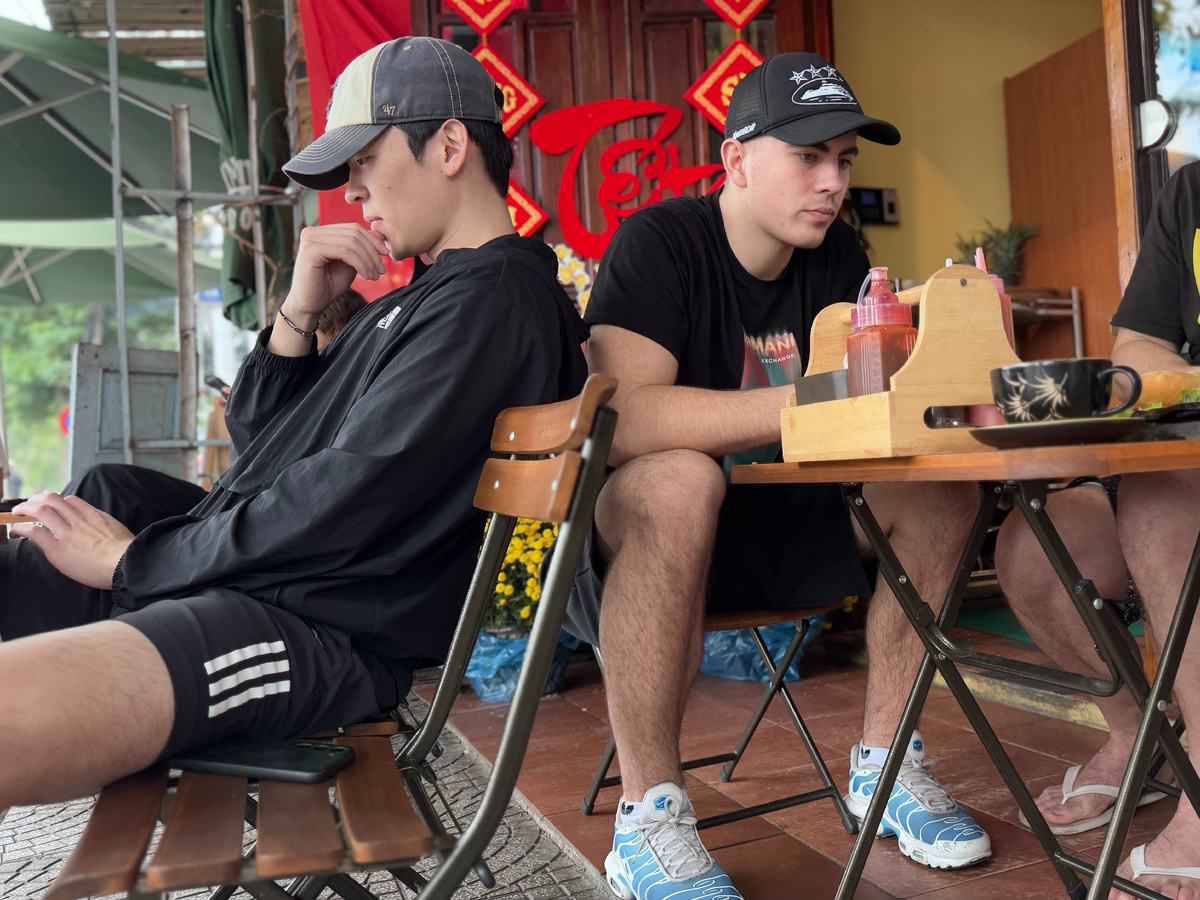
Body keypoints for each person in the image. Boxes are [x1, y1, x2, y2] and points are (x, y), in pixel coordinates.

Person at [0, 36, 587, 809]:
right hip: (276, 584)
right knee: (100, 497)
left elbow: (344, 497)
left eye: (364, 163)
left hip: (314, 630)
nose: (353, 193)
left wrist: (135, 561)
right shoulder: (434, 295)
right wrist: (298, 313)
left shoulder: (490, 301)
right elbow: (265, 445)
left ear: (449, 146)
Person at [566, 52, 989, 900]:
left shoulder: (839, 259)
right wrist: (813, 397)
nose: (832, 182)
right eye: (808, 156)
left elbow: (874, 406)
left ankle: (886, 767)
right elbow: (626, 421)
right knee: (680, 479)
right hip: (647, 547)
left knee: (941, 485)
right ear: (736, 160)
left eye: (844, 160)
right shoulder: (661, 243)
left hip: (794, 530)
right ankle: (648, 819)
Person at [996, 160, 1200, 900]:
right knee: (1036, 546)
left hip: (1177, 490)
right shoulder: (1192, 190)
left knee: (1161, 502)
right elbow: (1137, 346)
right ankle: (1141, 735)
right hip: (1189, 454)